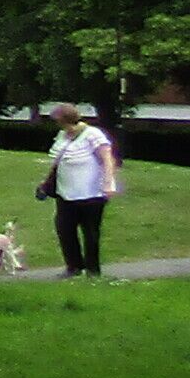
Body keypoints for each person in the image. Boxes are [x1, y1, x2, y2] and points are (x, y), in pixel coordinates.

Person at [43, 101, 121, 276]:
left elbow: (108, 159)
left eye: (58, 121)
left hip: (91, 194)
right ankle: (74, 266)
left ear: (66, 120)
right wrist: (46, 182)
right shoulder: (62, 136)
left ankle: (93, 271)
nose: (58, 125)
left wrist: (108, 182)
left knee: (91, 233)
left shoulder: (93, 134)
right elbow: (57, 161)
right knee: (64, 229)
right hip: (66, 194)